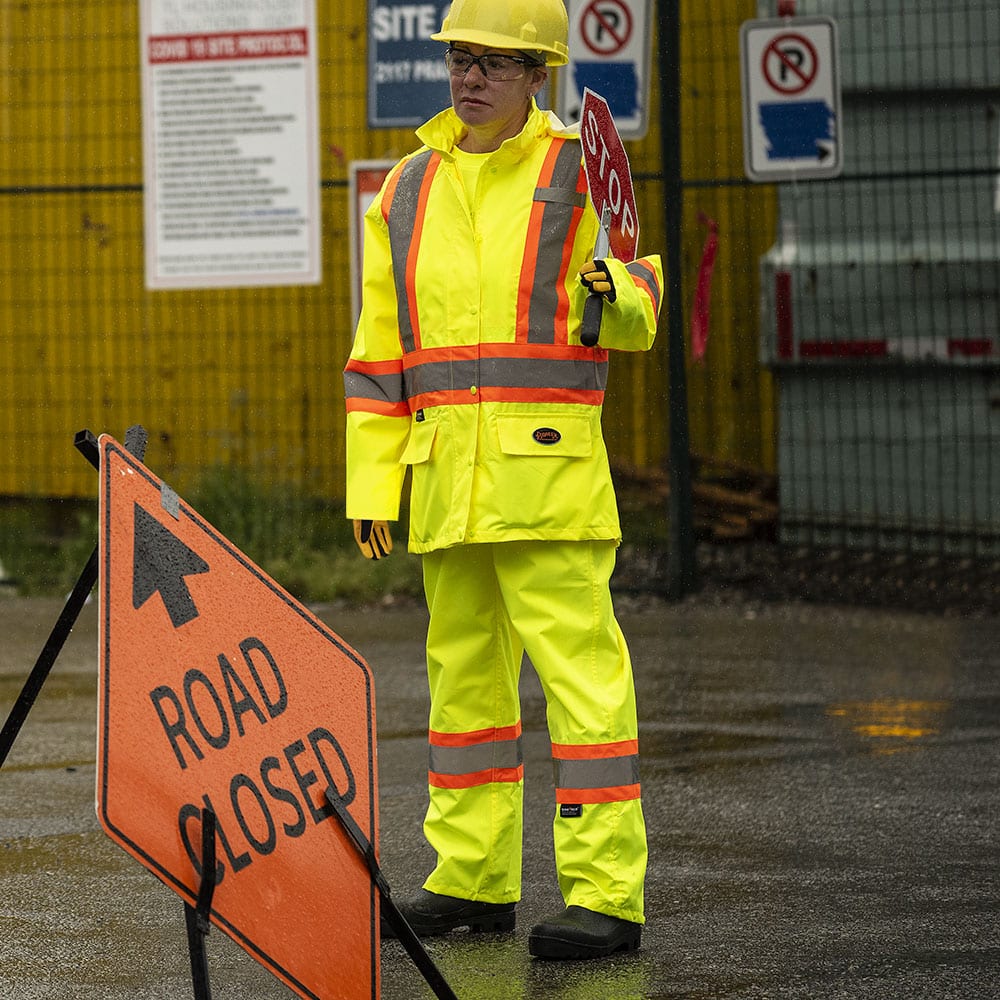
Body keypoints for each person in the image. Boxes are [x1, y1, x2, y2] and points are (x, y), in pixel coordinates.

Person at [343, 0, 663, 961]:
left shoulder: (578, 169)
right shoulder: (403, 191)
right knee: (464, 692)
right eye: (459, 59)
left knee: (583, 691)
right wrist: (371, 483)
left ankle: (606, 893)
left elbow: (640, 294)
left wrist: (619, 296)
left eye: (496, 61)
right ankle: (471, 883)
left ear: (539, 75)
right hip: (446, 482)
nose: (469, 76)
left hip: (551, 481)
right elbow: (377, 354)